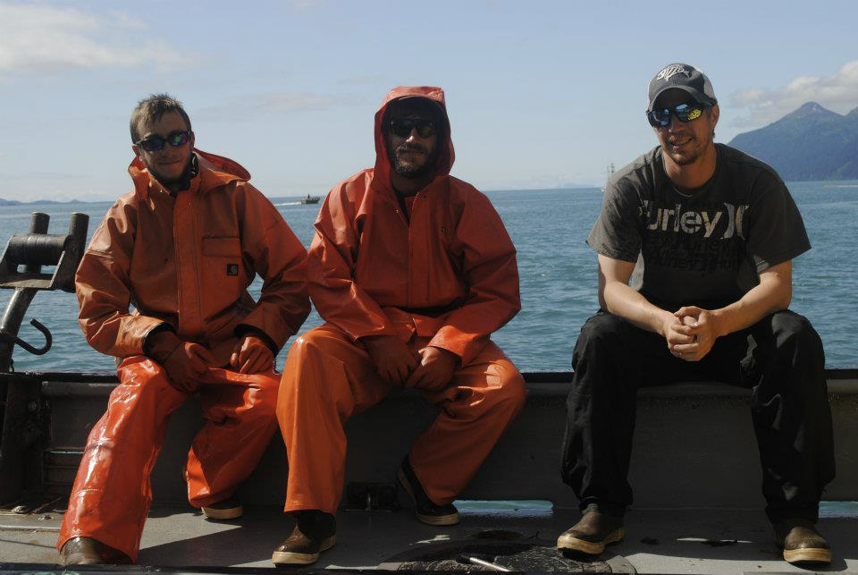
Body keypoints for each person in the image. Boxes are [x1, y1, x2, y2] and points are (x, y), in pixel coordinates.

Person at [558, 63, 835, 566]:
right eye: (661, 113)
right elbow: (612, 291)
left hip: (734, 332)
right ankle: (600, 508)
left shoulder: (756, 183)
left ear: (713, 117)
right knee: (599, 337)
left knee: (794, 336)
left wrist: (717, 324)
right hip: (657, 334)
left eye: (687, 109)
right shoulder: (630, 185)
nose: (675, 123)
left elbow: (778, 288)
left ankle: (796, 518)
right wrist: (665, 323)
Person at [271, 86, 527, 566]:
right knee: (306, 355)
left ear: (441, 138)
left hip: (444, 338)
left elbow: (498, 288)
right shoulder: (347, 196)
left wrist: (450, 346)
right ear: (382, 135)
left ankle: (426, 480)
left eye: (424, 129)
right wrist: (377, 336)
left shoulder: (467, 202)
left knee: (504, 389)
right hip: (364, 340)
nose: (411, 137)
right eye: (400, 127)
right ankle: (312, 516)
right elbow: (326, 278)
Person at [57, 94, 310, 565]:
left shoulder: (238, 198)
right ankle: (89, 536)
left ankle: (210, 488)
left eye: (178, 137)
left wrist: (262, 334)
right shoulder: (125, 215)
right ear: (138, 151)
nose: (169, 148)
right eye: (155, 141)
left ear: (192, 139)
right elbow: (97, 310)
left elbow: (294, 277)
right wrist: (157, 341)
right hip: (157, 354)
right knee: (131, 406)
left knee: (267, 398)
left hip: (230, 345)